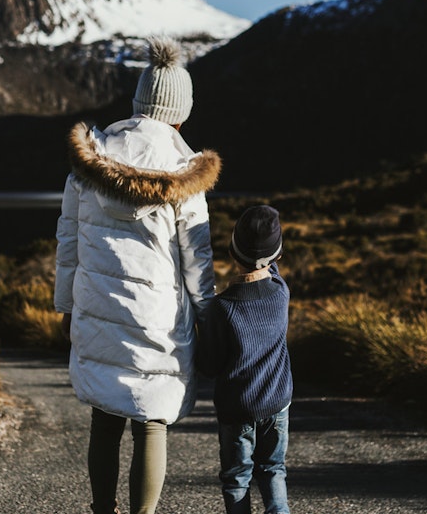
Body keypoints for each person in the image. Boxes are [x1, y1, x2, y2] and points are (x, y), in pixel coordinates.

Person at [54, 37, 220, 514]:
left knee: (104, 417)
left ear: (137, 102)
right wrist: (207, 316)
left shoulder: (89, 159)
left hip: (96, 308)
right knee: (152, 419)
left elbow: (68, 240)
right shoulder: (186, 174)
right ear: (180, 114)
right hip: (158, 318)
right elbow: (198, 259)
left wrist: (65, 305)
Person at [197, 204, 293, 514]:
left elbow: (208, 367)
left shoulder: (222, 309)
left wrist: (203, 318)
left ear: (232, 254)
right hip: (277, 403)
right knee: (273, 470)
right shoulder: (281, 292)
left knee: (237, 479)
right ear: (277, 257)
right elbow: (268, 266)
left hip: (237, 409)